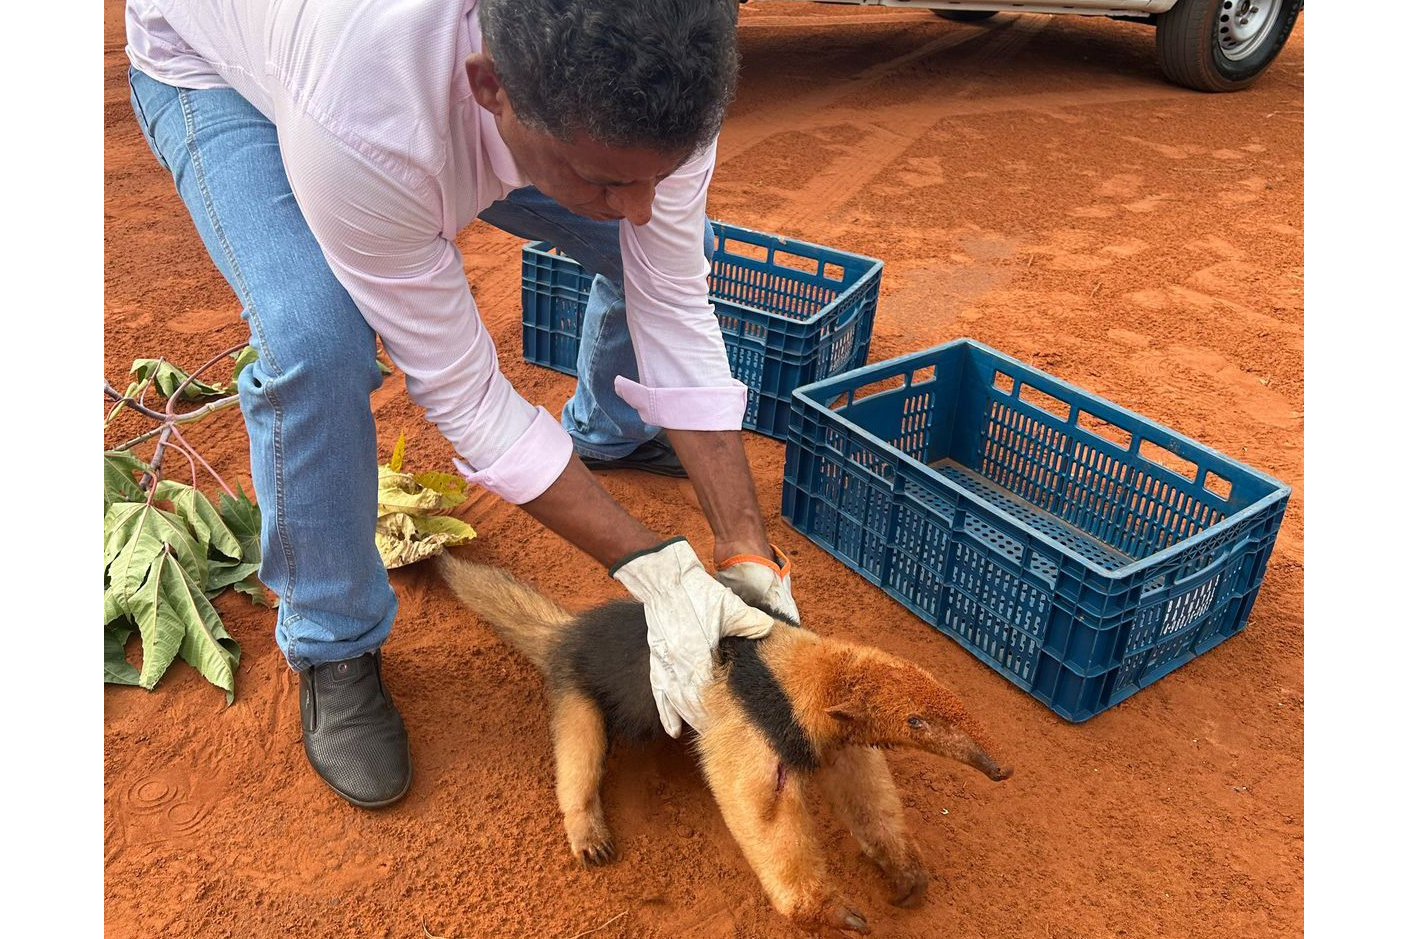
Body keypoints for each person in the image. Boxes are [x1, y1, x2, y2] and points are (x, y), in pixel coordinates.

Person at [123, 0, 801, 808]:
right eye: (610, 179)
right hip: (221, 67)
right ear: (491, 88)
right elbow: (469, 397)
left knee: (662, 241)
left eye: (661, 174)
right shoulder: (370, 124)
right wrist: (656, 568)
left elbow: (673, 297)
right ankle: (331, 638)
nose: (640, 206)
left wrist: (744, 548)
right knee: (317, 342)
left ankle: (609, 430)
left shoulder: (666, 52)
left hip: (434, 107)